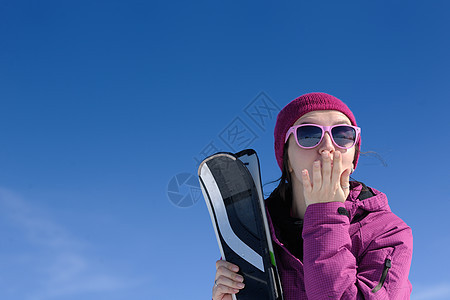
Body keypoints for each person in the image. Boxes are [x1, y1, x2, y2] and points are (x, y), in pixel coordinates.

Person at [212, 92, 413, 299]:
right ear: (286, 159)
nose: (327, 147)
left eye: (343, 134)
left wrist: (326, 213)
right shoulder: (251, 233)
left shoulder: (388, 232)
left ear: (353, 159)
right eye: (309, 134)